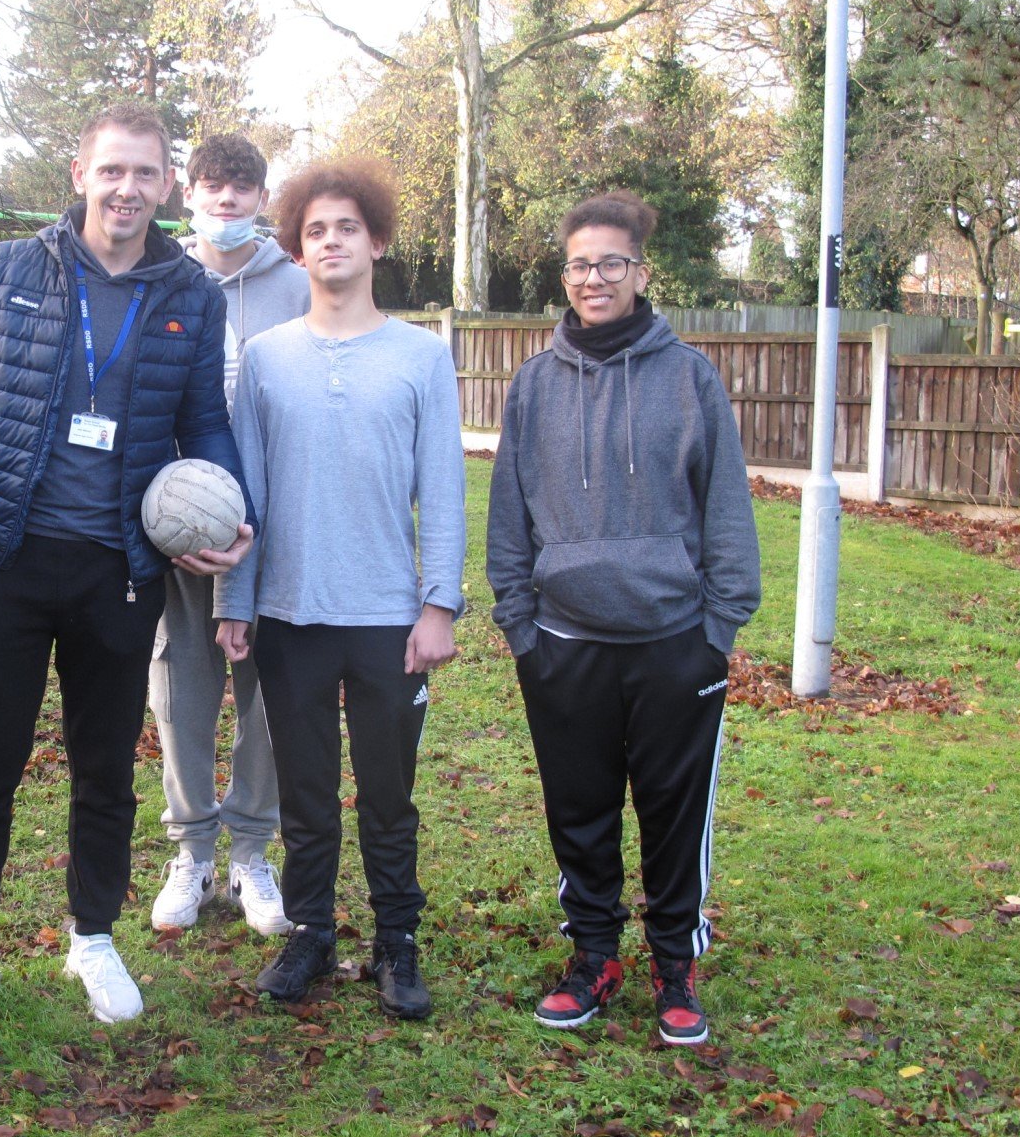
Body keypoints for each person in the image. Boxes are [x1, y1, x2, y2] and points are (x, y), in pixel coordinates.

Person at [0, 102, 252, 1037]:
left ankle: (93, 933)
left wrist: (237, 510)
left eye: (146, 173)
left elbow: (203, 421)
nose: (128, 189)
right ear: (78, 172)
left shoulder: (190, 294)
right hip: (5, 556)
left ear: (168, 186)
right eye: (111, 170)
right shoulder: (10, 269)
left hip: (120, 569)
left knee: (103, 770)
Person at [484, 189, 761, 1047]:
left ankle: (673, 965)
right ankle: (593, 955)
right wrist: (520, 625)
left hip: (675, 641)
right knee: (579, 808)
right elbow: (508, 516)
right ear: (562, 275)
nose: (593, 278)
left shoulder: (688, 377)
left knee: (673, 812)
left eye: (611, 263)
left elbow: (724, 508)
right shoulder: (532, 384)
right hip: (563, 643)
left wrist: (718, 625)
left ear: (641, 272)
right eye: (578, 264)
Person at [213, 157, 466, 1021]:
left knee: (389, 799)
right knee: (308, 796)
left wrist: (439, 604)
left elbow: (442, 486)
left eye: (345, 227)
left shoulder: (422, 358)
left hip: (390, 619)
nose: (329, 241)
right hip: (290, 615)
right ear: (297, 246)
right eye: (314, 229)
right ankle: (311, 931)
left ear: (377, 240)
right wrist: (235, 603)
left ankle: (397, 940)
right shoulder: (266, 358)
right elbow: (248, 494)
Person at [148, 134, 308, 937]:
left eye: (241, 188)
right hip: (181, 529)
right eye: (212, 186)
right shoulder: (162, 278)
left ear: (259, 199)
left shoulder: (299, 285)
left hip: (275, 527)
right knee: (181, 690)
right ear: (189, 195)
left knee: (267, 696)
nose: (226, 201)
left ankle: (251, 849)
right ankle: (191, 850)